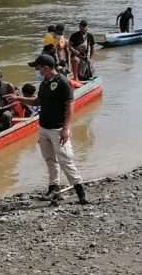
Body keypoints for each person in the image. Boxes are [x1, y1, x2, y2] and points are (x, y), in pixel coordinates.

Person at [7, 55, 88, 205]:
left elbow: (70, 106)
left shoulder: (63, 82)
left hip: (58, 129)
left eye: (38, 68)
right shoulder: (44, 83)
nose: (37, 71)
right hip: (44, 127)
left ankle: (80, 192)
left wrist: (66, 128)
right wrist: (19, 98)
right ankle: (54, 189)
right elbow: (38, 101)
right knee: (50, 160)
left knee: (65, 160)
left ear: (45, 67)